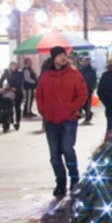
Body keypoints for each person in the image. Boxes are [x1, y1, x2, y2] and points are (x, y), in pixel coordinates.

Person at [35, 46, 88, 198]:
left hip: (68, 119)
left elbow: (82, 94)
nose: (63, 58)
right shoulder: (46, 76)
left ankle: (74, 179)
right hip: (51, 120)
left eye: (64, 55)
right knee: (54, 154)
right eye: (59, 56)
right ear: (53, 58)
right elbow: (39, 95)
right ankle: (60, 182)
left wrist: (72, 108)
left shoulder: (74, 75)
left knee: (67, 149)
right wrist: (43, 110)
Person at [0, 61, 25, 127]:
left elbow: (20, 82)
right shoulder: (7, 72)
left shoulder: (19, 73)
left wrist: (16, 87)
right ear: (10, 66)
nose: (14, 67)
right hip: (10, 90)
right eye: (13, 66)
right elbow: (1, 80)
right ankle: (10, 119)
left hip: (17, 91)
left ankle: (17, 121)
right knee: (8, 105)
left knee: (17, 107)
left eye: (15, 66)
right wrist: (1, 87)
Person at [78, 56, 98, 124]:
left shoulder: (92, 70)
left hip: (88, 89)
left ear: (88, 62)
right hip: (81, 89)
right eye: (83, 61)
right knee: (82, 103)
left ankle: (87, 117)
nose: (83, 63)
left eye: (85, 61)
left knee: (87, 103)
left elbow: (94, 79)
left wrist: (92, 87)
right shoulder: (80, 70)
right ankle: (88, 114)